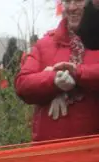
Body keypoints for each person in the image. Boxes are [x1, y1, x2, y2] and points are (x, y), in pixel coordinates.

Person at [15, 0, 99, 142]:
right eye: (67, 1)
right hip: (49, 152)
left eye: (78, 1)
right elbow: (22, 83)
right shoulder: (45, 44)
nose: (72, 8)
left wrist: (76, 74)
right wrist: (53, 80)